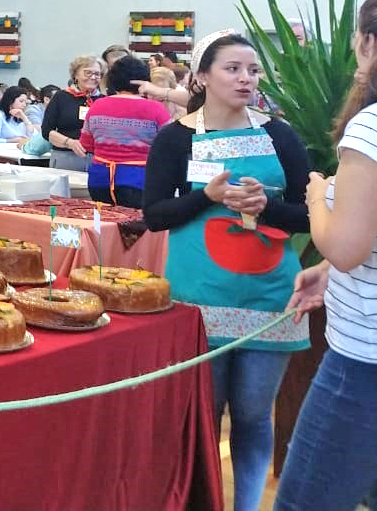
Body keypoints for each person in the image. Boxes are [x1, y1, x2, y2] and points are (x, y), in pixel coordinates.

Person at [143, 31, 310, 511]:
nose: (246, 79)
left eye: (253, 70)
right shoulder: (175, 138)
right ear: (201, 77)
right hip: (198, 295)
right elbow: (154, 215)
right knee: (203, 413)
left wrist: (266, 207)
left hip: (270, 294)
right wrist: (206, 198)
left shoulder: (280, 134)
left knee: (256, 416)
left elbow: (309, 212)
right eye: (233, 69)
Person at [274, 0, 377, 511]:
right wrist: (328, 271)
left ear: (365, 42)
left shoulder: (375, 124)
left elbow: (346, 246)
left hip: (369, 358)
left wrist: (318, 193)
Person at [78, 56, 169, 206]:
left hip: (100, 180)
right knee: (135, 227)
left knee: (104, 225)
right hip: (139, 180)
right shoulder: (156, 109)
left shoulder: (97, 106)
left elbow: (86, 144)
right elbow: (167, 147)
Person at [41, 55, 102, 172]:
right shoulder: (61, 97)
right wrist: (69, 143)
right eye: (88, 73)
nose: (93, 77)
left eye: (97, 74)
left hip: (97, 160)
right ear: (76, 75)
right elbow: (46, 131)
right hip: (66, 157)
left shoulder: (104, 100)